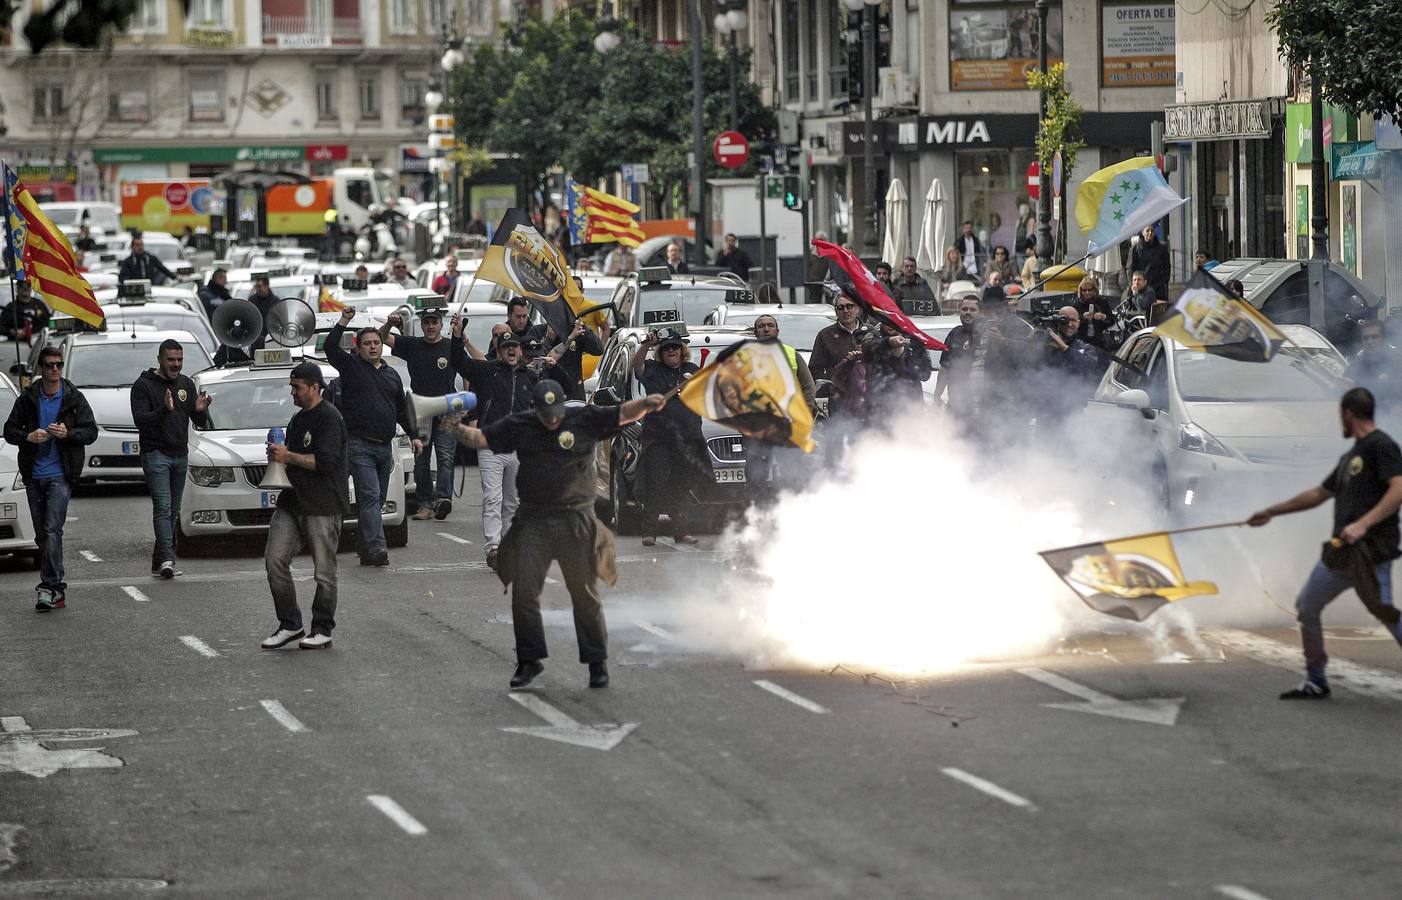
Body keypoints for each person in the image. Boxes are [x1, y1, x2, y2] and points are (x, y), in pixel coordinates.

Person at [448, 379, 669, 689]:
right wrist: (456, 428)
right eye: (545, 413)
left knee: (584, 593)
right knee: (524, 593)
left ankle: (596, 663)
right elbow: (483, 438)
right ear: (534, 409)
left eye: (556, 412)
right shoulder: (520, 424)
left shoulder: (584, 418)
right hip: (534, 520)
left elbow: (621, 413)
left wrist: (645, 404)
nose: (552, 419)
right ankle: (529, 660)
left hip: (575, 519)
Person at [1248, 387, 1402, 699]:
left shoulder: (1380, 445)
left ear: (1347, 414)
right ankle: (1316, 680)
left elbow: (1399, 488)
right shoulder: (1351, 457)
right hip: (1341, 555)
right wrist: (1271, 512)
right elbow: (1319, 494)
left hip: (1370, 553)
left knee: (1384, 611)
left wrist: (1362, 524)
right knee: (1307, 606)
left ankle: (1317, 679)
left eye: (1340, 417)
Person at [450, 318, 557, 568]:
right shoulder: (487, 372)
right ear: (498, 352)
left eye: (515, 347)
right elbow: (459, 361)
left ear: (520, 352)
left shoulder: (529, 377)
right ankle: (493, 547)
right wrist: (456, 336)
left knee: (513, 501)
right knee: (493, 498)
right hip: (492, 446)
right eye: (505, 348)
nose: (511, 351)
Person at [260, 361, 349, 651]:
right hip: (292, 502)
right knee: (274, 560)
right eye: (291, 387)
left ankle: (323, 628)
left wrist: (289, 456)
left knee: (324, 571)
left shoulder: (330, 418)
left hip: (322, 505)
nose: (292, 392)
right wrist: (278, 456)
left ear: (314, 387)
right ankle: (290, 624)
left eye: (297, 387)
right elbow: (293, 456)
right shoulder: (298, 419)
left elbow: (326, 462)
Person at [325, 307, 422, 567]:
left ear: (382, 346)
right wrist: (343, 321)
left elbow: (402, 409)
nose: (372, 347)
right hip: (360, 446)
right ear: (359, 348)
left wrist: (414, 436)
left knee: (376, 500)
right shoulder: (352, 367)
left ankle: (365, 547)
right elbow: (331, 348)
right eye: (367, 344)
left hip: (384, 448)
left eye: (376, 343)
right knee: (369, 496)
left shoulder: (391, 374)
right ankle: (378, 548)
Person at [3, 346, 97, 612]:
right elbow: (9, 430)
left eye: (59, 365)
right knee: (42, 536)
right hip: (34, 474)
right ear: (41, 369)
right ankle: (56, 589)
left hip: (60, 474)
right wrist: (28, 437)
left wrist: (67, 434)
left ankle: (49, 587)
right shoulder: (29, 397)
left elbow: (90, 432)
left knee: (53, 529)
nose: (55, 370)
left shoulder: (73, 397)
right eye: (50, 365)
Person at [130, 339, 211, 579]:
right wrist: (164, 409)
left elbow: (200, 422)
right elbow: (141, 421)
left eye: (179, 360)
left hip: (180, 454)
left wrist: (200, 409)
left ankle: (158, 561)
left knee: (173, 511)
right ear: (160, 360)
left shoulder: (186, 384)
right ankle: (167, 559)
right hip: (155, 454)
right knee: (163, 508)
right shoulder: (143, 385)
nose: (176, 365)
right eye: (171, 360)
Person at [380, 307, 457, 522]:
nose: (431, 326)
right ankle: (425, 505)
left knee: (445, 457)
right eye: (427, 322)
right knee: (421, 460)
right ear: (421, 325)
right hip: (421, 409)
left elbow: (468, 371)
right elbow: (382, 338)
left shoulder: (451, 347)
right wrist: (389, 323)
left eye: (435, 322)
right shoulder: (412, 345)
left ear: (442, 325)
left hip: (447, 408)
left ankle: (442, 500)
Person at [632, 327, 704, 546]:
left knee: (681, 485)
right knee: (656, 482)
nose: (671, 351)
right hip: (658, 438)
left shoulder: (692, 369)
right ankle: (650, 531)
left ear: (682, 350)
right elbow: (637, 366)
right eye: (666, 348)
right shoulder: (653, 369)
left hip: (687, 437)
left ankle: (682, 531)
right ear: (660, 352)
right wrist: (646, 345)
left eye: (674, 347)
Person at [1040, 305, 1107, 416]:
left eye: (1073, 320)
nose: (1069, 324)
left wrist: (1063, 347)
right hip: (1047, 410)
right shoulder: (1045, 345)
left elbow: (1087, 366)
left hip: (1074, 410)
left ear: (1079, 323)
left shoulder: (1086, 348)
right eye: (1064, 320)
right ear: (1056, 320)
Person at [862, 322, 933, 416]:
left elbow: (925, 374)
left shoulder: (914, 338)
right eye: (887, 320)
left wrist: (902, 356)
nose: (891, 324)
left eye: (894, 320)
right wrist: (888, 343)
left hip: (910, 406)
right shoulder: (873, 336)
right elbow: (867, 349)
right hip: (879, 406)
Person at [808, 287, 872, 382]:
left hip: (869, 394)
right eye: (841, 307)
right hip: (839, 394)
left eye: (849, 306)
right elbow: (815, 371)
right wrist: (832, 385)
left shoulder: (870, 331)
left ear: (857, 308)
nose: (845, 311)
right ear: (836, 311)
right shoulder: (825, 335)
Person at [934, 295, 981, 414]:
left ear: (981, 313)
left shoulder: (987, 335)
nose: (967, 313)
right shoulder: (954, 334)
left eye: (972, 309)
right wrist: (937, 396)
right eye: (964, 309)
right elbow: (944, 369)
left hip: (980, 407)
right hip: (956, 405)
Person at [1347, 320, 1402, 414]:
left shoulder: (1397, 362)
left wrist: (1357, 384)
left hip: (1391, 420)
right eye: (1366, 338)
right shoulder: (1356, 364)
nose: (1369, 341)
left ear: (1384, 339)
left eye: (1375, 337)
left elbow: (1396, 388)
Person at [1072, 275, 1117, 350]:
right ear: (1080, 290)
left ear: (1094, 290)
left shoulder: (1102, 303)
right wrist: (1083, 317)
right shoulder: (1077, 305)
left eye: (1090, 290)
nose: (1087, 293)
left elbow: (1112, 321)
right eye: (1084, 290)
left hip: (1100, 341)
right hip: (1082, 341)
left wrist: (1103, 317)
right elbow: (1072, 324)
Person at [1128, 225, 1170, 301]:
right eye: (1147, 231)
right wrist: (1134, 283)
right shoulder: (1135, 248)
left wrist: (1163, 282)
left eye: (1152, 231)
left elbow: (1167, 267)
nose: (1150, 233)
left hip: (1158, 286)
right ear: (1143, 233)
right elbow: (1130, 268)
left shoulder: (1162, 248)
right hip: (1140, 286)